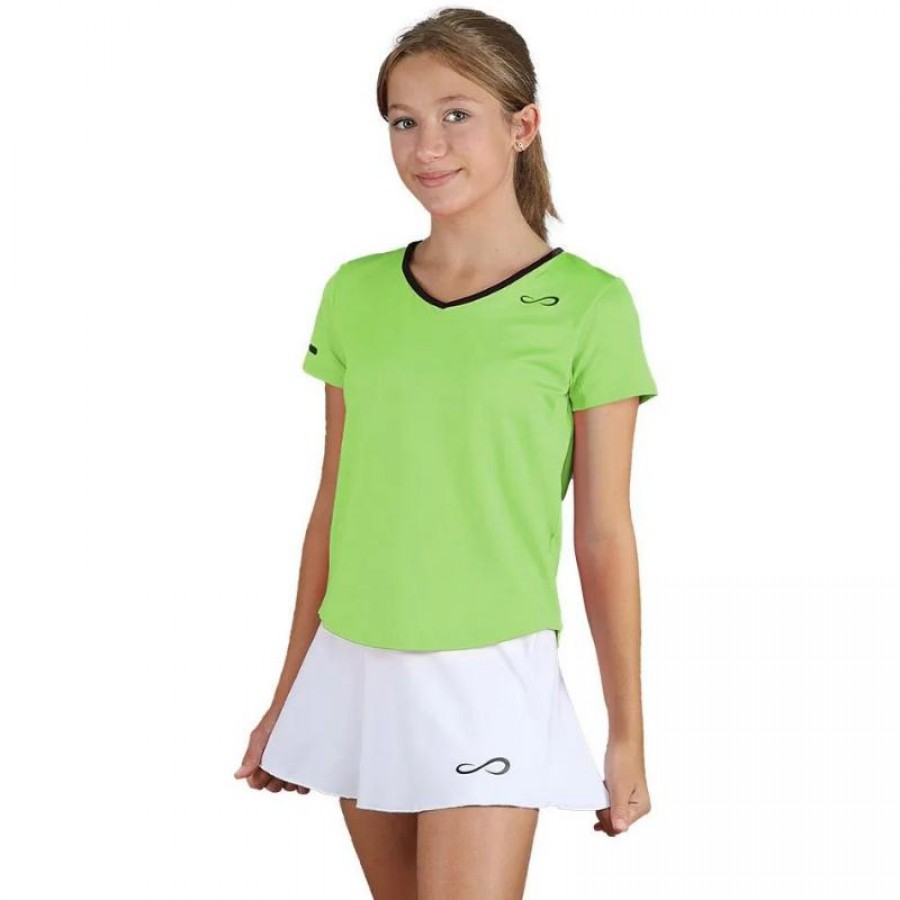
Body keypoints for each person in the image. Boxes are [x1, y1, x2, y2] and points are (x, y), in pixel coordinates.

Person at [234, 8, 658, 898]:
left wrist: (628, 734)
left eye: (456, 114)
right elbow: (335, 506)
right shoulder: (354, 293)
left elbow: (604, 535)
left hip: (489, 671)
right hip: (355, 659)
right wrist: (288, 697)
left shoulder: (591, 306)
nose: (427, 147)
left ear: (522, 125)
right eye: (404, 121)